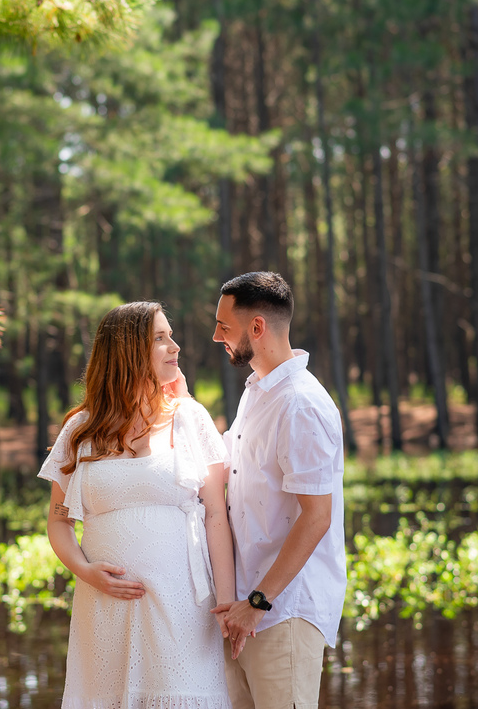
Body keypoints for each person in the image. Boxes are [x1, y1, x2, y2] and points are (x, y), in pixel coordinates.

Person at [39, 301, 236, 709]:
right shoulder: (80, 430)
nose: (175, 347)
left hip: (185, 606)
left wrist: (229, 602)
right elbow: (59, 522)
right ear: (127, 351)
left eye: (171, 336)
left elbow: (216, 513)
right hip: (104, 607)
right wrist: (87, 572)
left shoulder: (191, 418)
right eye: (160, 339)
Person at [209, 272, 347, 709]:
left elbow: (316, 517)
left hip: (281, 612)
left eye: (224, 326)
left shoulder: (301, 404)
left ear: (257, 328)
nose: (216, 336)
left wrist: (258, 602)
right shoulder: (256, 393)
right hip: (243, 613)